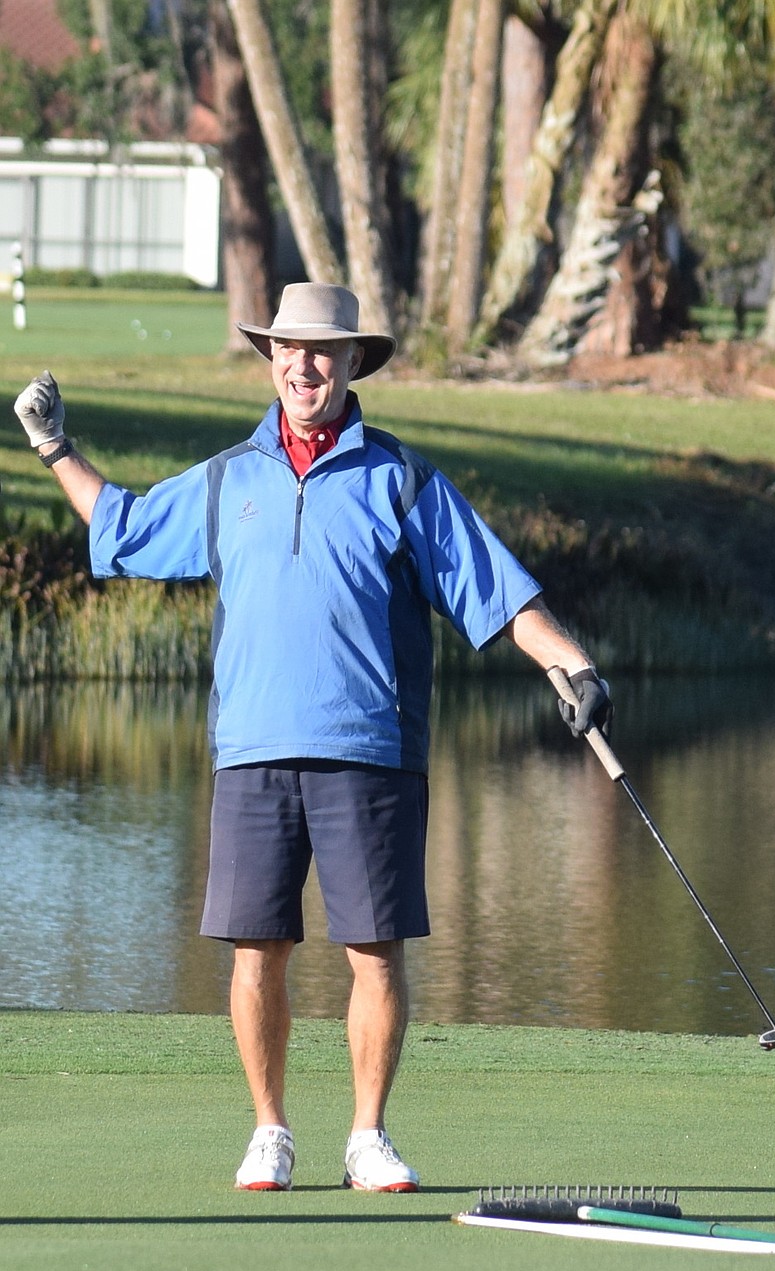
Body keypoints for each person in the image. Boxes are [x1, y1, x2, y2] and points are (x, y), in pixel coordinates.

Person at [14, 283, 611, 1194]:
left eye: (324, 351)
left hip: (372, 750)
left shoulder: (403, 480)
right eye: (289, 349)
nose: (304, 365)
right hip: (252, 750)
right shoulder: (228, 479)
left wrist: (568, 662)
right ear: (271, 358)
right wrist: (54, 448)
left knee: (374, 951)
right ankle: (270, 1131)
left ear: (352, 364)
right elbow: (125, 528)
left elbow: (493, 591)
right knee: (258, 950)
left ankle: (367, 1136)